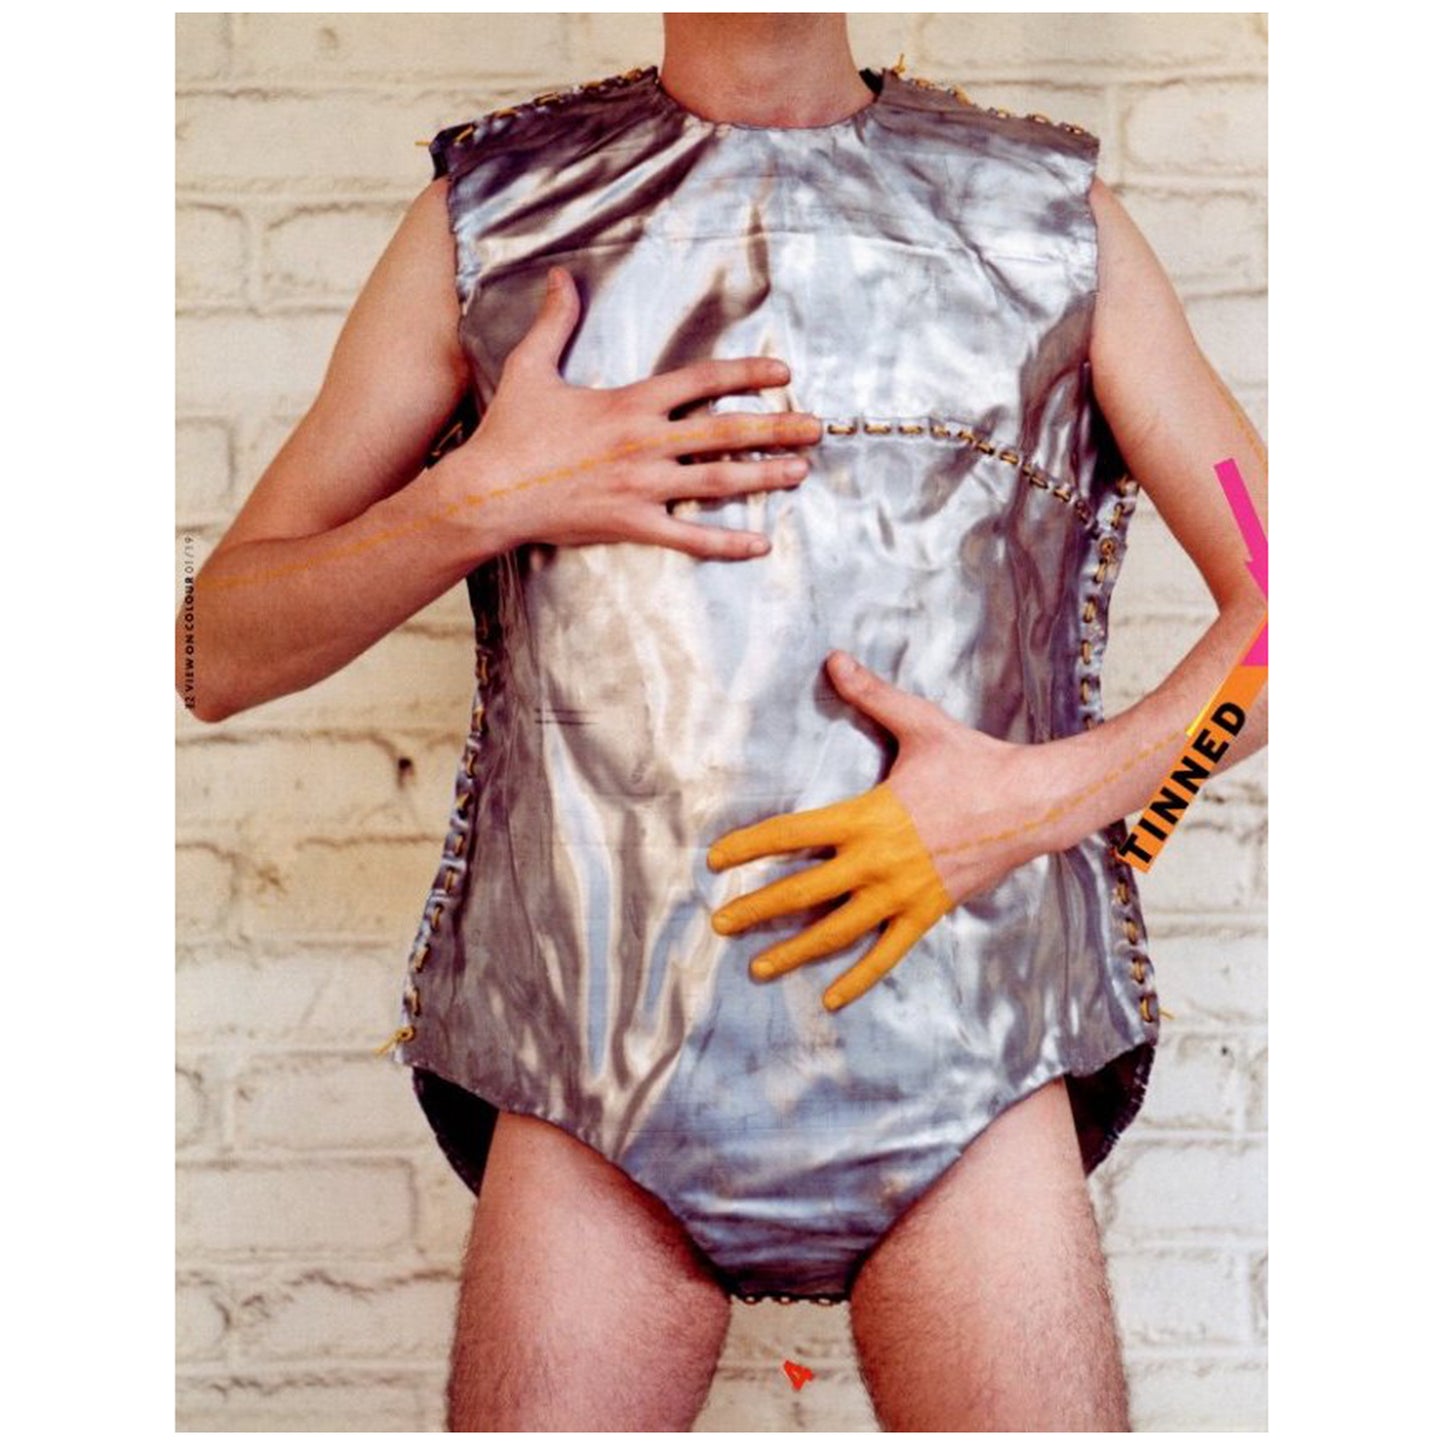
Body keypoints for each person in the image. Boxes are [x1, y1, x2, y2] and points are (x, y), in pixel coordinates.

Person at [178, 13, 1266, 1432]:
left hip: (974, 1053)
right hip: (589, 1069)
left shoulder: (1055, 220)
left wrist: (1052, 802)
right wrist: (470, 503)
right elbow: (217, 648)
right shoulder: (490, 216)